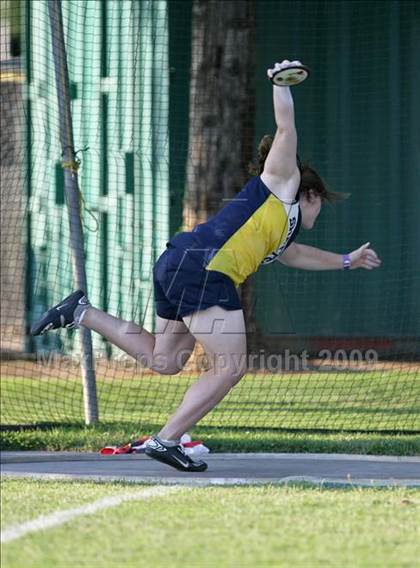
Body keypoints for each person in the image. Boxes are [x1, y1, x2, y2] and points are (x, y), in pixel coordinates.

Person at [30, 60, 382, 472]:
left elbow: (295, 255)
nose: (320, 213)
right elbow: (286, 130)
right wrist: (279, 84)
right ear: (311, 194)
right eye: (322, 203)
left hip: (177, 263)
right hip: (204, 269)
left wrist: (346, 260)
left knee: (165, 361)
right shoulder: (283, 182)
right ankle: (166, 439)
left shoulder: (279, 230)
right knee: (231, 366)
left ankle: (80, 312)